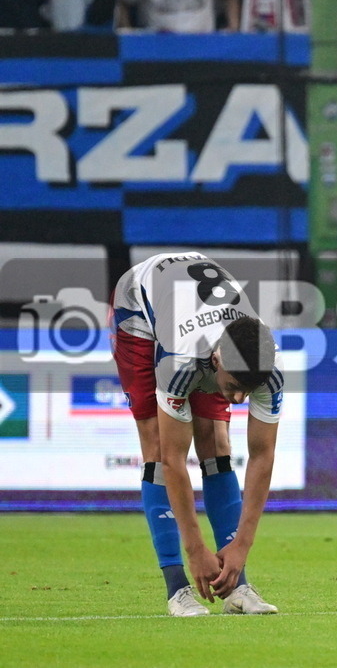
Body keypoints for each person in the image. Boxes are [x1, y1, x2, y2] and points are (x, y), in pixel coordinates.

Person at [111, 252, 283, 616]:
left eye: (248, 391)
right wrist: (195, 550)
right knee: (158, 445)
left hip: (200, 319)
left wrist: (241, 547)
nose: (238, 399)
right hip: (140, 307)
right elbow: (173, 460)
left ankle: (238, 587)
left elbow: (263, 456)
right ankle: (177, 589)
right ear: (218, 361)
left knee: (217, 443)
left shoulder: (269, 365)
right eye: (233, 387)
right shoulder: (179, 361)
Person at [116, 0, 240, 33]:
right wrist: (126, 32)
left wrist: (233, 26)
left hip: (202, 46)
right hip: (157, 50)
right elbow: (123, 1)